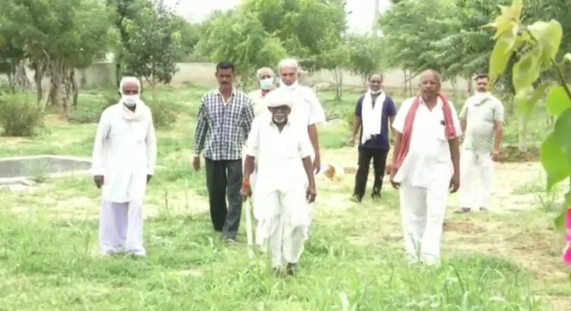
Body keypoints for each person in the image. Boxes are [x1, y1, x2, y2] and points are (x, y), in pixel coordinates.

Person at [241, 88, 317, 275]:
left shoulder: (298, 125)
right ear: (270, 110)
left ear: (289, 110)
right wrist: (245, 182)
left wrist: (312, 184)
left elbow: (306, 155)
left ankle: (292, 261)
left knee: (298, 221)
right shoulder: (259, 124)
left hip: (294, 180)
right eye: (275, 109)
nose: (279, 112)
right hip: (267, 180)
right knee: (271, 222)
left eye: (283, 109)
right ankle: (276, 264)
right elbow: (250, 155)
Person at [390, 70, 462, 266]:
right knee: (412, 216)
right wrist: (394, 166)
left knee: (435, 215)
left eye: (432, 82)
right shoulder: (407, 107)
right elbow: (398, 138)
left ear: (439, 86)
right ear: (419, 85)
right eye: (425, 83)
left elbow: (454, 142)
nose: (428, 86)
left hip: (439, 172)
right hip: (410, 170)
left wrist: (457, 173)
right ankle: (413, 258)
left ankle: (431, 260)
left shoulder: (447, 109)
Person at [91, 76, 157, 257]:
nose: (131, 95)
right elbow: (99, 143)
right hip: (115, 168)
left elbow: (150, 142)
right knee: (113, 205)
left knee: (136, 206)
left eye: (134, 92)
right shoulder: (110, 114)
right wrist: (98, 170)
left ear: (139, 92)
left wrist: (150, 168)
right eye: (127, 92)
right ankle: (110, 246)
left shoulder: (145, 113)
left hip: (138, 169)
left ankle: (135, 247)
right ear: (120, 92)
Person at [193, 61, 255, 244]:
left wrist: (253, 154)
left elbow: (251, 129)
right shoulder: (207, 99)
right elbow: (201, 127)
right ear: (216, 76)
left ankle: (230, 233)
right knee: (215, 192)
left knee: (235, 194)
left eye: (228, 76)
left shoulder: (244, 100)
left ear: (234, 76)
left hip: (235, 154)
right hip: (213, 154)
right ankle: (220, 226)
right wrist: (196, 152)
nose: (225, 79)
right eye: (222, 76)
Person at [277, 58, 325, 238]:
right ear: (280, 75)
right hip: (283, 150)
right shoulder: (276, 97)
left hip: (304, 149)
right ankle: (286, 229)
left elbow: (311, 126)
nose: (288, 78)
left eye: (291, 74)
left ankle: (304, 230)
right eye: (284, 75)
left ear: (297, 74)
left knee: (306, 186)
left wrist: (317, 154)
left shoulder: (306, 94)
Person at [456, 74, 504, 213]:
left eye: (484, 83)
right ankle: (465, 205)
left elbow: (499, 127)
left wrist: (496, 148)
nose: (482, 86)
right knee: (465, 174)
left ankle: (484, 205)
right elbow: (462, 120)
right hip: (469, 145)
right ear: (476, 85)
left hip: (486, 147)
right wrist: (462, 137)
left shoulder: (495, 103)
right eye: (479, 83)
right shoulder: (470, 101)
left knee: (486, 176)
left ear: (489, 85)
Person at [349, 74, 397, 202]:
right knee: (362, 169)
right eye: (373, 81)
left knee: (379, 169)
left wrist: (395, 136)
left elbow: (393, 118)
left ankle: (376, 192)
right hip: (366, 142)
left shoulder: (387, 100)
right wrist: (353, 135)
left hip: (381, 142)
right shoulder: (362, 100)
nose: (375, 84)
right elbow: (357, 118)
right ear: (368, 83)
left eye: (378, 82)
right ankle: (358, 194)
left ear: (382, 83)